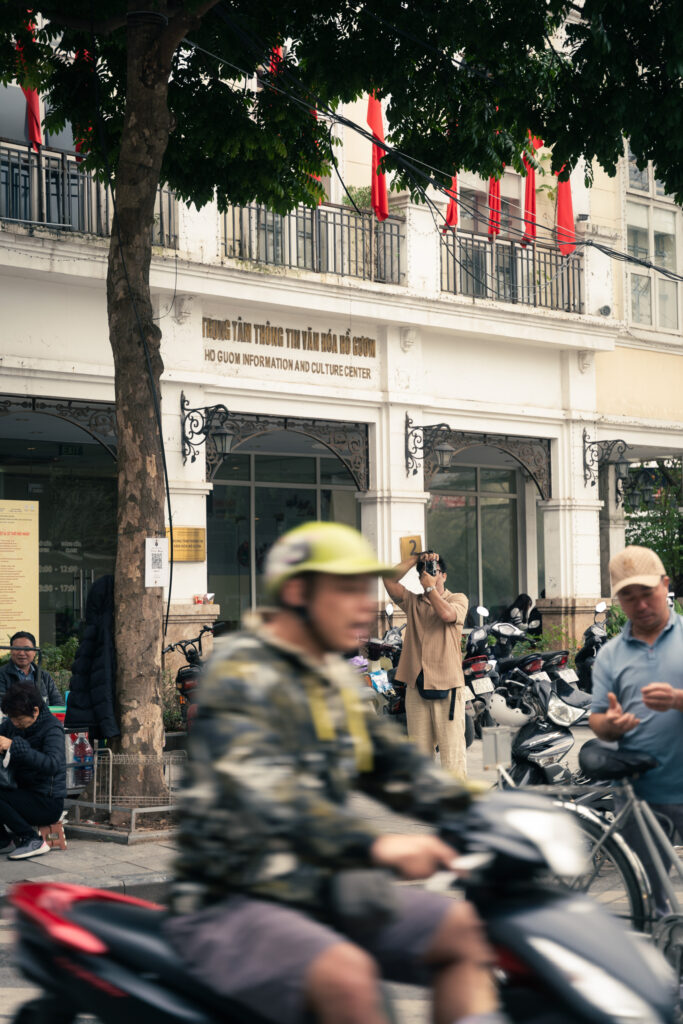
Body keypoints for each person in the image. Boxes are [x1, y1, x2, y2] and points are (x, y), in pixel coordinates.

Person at [164, 522, 508, 1024]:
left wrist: (469, 809)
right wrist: (375, 847)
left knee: (462, 930)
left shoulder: (327, 675)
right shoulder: (244, 675)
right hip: (241, 896)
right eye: (346, 592)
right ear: (301, 594)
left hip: (325, 885)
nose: (364, 608)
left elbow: (386, 762)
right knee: (347, 976)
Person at [589, 544, 683, 915]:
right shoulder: (611, 654)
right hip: (637, 794)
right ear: (618, 601)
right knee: (649, 899)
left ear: (665, 585)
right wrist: (609, 726)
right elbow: (597, 719)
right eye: (629, 597)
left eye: (647, 593)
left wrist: (678, 700)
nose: (640, 604)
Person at [382, 549, 468, 777]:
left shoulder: (457, 599)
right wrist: (416, 559)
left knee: (452, 755)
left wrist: (430, 589)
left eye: (435, 571)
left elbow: (448, 615)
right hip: (416, 686)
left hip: (447, 687)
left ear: (445, 576)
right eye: (425, 572)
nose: (430, 575)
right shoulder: (413, 601)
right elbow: (388, 579)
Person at [0, 682, 66, 860]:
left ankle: (31, 839)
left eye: (19, 719)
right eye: (12, 718)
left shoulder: (52, 729)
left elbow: (52, 764)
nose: (15, 723)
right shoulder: (12, 725)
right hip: (22, 793)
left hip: (47, 802)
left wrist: (15, 747)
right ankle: (4, 841)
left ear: (35, 711)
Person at [0, 631, 62, 705]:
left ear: (35, 652)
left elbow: (58, 704)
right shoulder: (2, 674)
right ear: (11, 651)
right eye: (17, 649)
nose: (22, 653)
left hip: (43, 716)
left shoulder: (44, 676)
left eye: (27, 649)